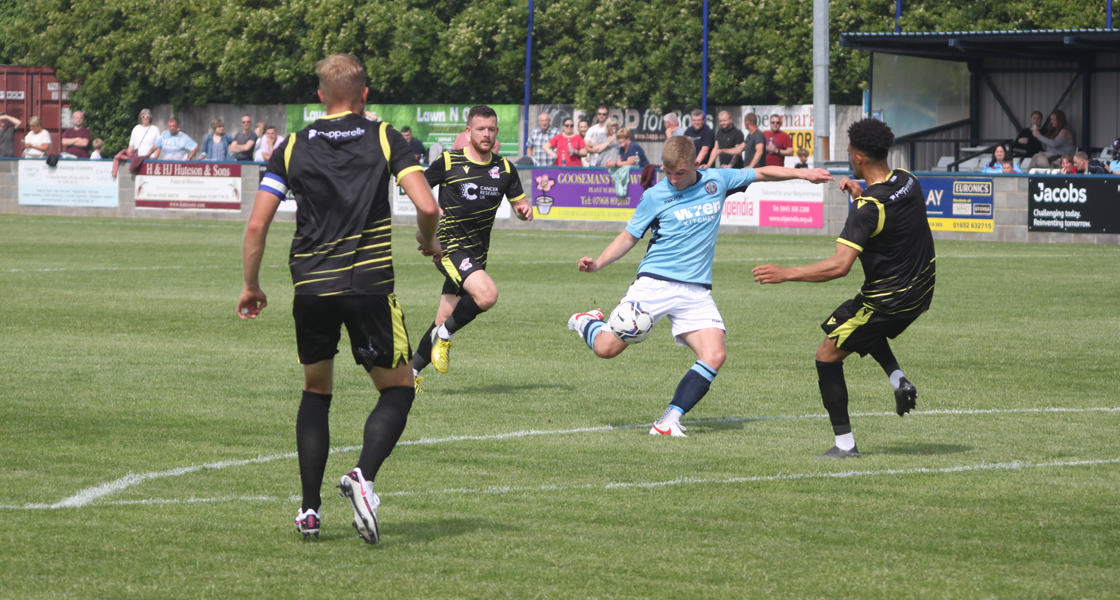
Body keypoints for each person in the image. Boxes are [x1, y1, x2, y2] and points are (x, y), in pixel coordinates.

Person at [238, 53, 441, 545]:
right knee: (398, 388)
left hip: (311, 286)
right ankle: (363, 477)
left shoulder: (290, 147)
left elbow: (258, 224)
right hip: (368, 285)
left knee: (316, 392)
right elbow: (428, 204)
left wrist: (251, 285)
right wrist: (428, 239)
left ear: (320, 96)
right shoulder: (385, 137)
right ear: (366, 94)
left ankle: (309, 510)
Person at [567, 137, 834, 437]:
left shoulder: (716, 180)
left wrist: (805, 173)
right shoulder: (655, 195)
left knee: (715, 354)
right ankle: (587, 322)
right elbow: (630, 236)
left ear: (696, 164)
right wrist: (599, 263)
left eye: (679, 172)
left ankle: (668, 421)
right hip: (654, 284)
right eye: (668, 172)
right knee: (606, 349)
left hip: (695, 291)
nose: (673, 179)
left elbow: (760, 173)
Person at [751, 118, 935, 458]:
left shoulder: (867, 209)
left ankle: (845, 446)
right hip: (921, 289)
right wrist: (861, 194)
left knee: (827, 355)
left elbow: (839, 265)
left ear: (859, 158)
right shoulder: (908, 180)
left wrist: (785, 273)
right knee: (849, 321)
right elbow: (890, 213)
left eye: (850, 151)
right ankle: (897, 378)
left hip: (890, 299)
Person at [408, 105, 532, 391]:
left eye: (491, 129)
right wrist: (428, 223)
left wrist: (524, 211)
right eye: (480, 129)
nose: (486, 134)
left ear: (497, 132)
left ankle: (408, 373)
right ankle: (444, 336)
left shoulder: (505, 169)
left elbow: (519, 206)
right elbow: (417, 186)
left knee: (444, 316)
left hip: (477, 253)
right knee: (487, 295)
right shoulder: (449, 161)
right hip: (450, 246)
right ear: (468, 132)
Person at [112, 108, 159, 177]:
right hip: (137, 160)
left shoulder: (155, 129)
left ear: (150, 118)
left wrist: (155, 159)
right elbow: (131, 146)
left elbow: (158, 146)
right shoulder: (136, 129)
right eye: (143, 116)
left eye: (148, 116)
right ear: (140, 118)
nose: (145, 118)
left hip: (149, 161)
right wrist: (128, 156)